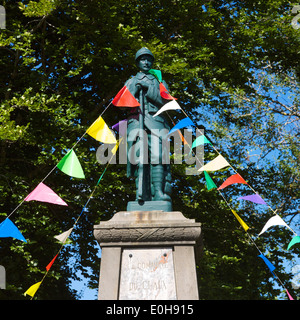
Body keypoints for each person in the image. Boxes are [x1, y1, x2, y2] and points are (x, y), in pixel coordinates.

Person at [124, 47, 172, 203]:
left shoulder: (159, 82)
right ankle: (142, 195)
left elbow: (165, 102)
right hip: (136, 122)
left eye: (149, 59)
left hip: (156, 122)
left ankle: (159, 192)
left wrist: (148, 88)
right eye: (143, 59)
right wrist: (135, 87)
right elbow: (123, 103)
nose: (146, 62)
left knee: (158, 156)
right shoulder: (130, 81)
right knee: (138, 159)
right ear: (138, 62)